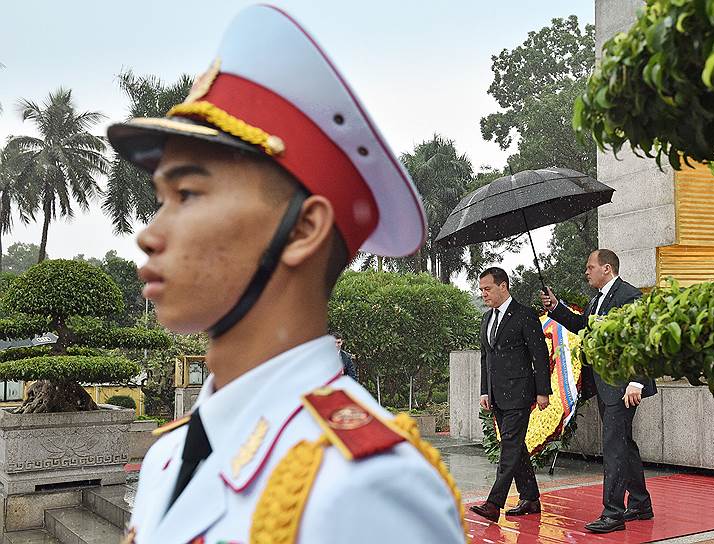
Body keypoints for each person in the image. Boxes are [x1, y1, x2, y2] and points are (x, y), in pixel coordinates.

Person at [107, 5, 466, 543]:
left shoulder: (365, 486)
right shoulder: (169, 455)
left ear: (302, 229)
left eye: (187, 194)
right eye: (161, 199)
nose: (148, 235)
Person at [541, 249, 656, 534]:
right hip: (608, 385)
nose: (586, 271)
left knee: (615, 447)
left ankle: (613, 514)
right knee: (623, 444)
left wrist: (637, 381)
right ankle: (640, 504)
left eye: (590, 267)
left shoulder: (628, 296)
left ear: (607, 268)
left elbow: (643, 338)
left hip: (623, 384)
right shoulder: (599, 300)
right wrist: (556, 307)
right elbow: (582, 326)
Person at [469, 267, 552, 523]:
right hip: (497, 395)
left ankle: (494, 503)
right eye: (481, 290)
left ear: (503, 286)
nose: (483, 294)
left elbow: (539, 356)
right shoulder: (486, 319)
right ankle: (530, 498)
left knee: (509, 446)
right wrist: (485, 390)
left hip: (520, 393)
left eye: (488, 289)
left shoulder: (525, 315)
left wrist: (542, 391)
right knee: (516, 447)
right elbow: (486, 358)